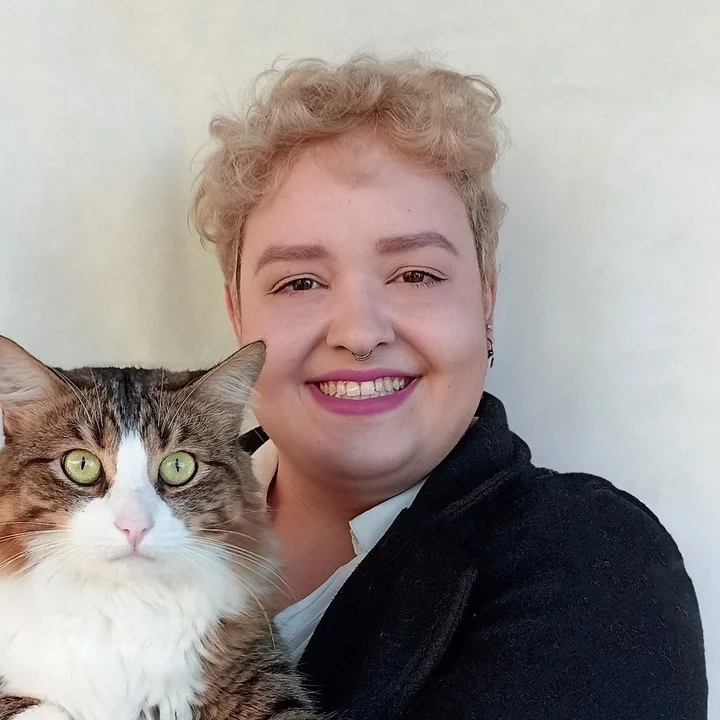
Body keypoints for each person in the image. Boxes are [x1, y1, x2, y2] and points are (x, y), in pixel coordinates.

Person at [191, 55, 707, 719]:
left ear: (485, 300)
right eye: (299, 282)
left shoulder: (592, 565)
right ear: (237, 314)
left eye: (416, 275)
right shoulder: (99, 513)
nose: (359, 332)